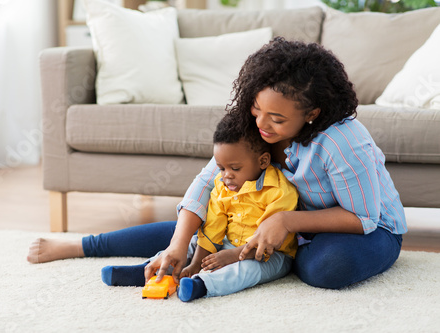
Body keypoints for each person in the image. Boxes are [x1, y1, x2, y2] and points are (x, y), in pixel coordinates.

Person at [28, 37, 407, 290]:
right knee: (194, 231)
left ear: (312, 113)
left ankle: (278, 256)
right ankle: (81, 245)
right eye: (257, 110)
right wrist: (180, 246)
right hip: (274, 222)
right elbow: (206, 183)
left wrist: (285, 222)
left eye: (276, 119)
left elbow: (364, 217)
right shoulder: (254, 127)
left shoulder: (343, 142)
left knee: (326, 269)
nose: (262, 125)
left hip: (367, 230)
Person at [176, 114, 298, 301]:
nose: (227, 176)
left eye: (235, 168)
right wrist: (196, 263)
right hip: (229, 243)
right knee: (194, 243)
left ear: (263, 161)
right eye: (221, 168)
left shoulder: (280, 191)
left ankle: (201, 285)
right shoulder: (221, 185)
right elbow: (213, 226)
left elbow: (268, 241)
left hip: (271, 255)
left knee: (246, 270)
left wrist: (233, 255)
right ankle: (156, 268)